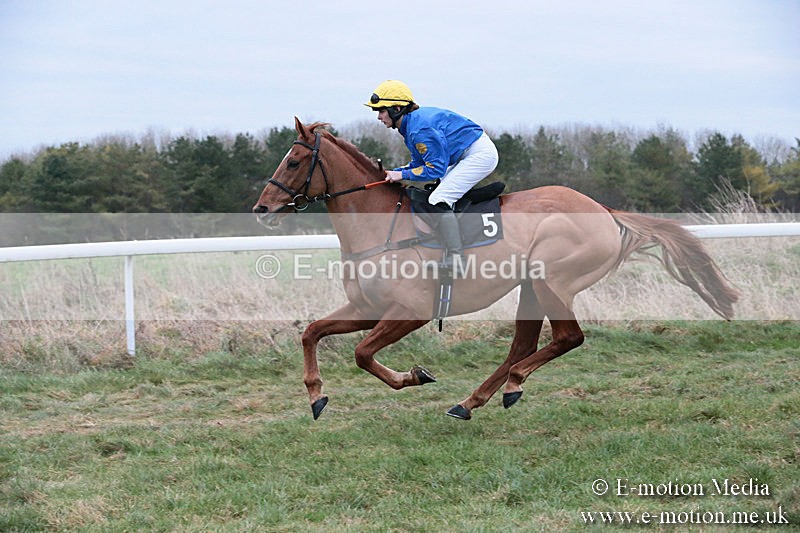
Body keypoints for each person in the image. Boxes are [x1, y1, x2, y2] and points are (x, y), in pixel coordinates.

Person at [365, 80, 499, 271]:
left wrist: (401, 174)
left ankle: (456, 258)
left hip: (478, 154)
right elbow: (419, 164)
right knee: (438, 193)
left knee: (438, 199)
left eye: (381, 111)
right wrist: (395, 172)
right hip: (464, 154)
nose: (379, 117)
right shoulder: (410, 126)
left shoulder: (419, 129)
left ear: (396, 109)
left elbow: (435, 169)